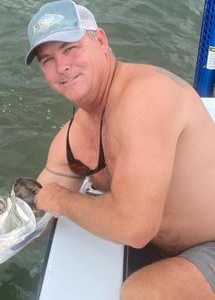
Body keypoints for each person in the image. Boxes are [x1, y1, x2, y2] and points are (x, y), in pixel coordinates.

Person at [26, 0, 215, 299]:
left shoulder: (146, 97)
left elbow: (134, 226)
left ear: (100, 40)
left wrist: (61, 200)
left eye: (70, 48)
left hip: (209, 242)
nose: (61, 66)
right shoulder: (71, 140)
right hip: (162, 245)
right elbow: (30, 209)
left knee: (142, 293)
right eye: (47, 59)